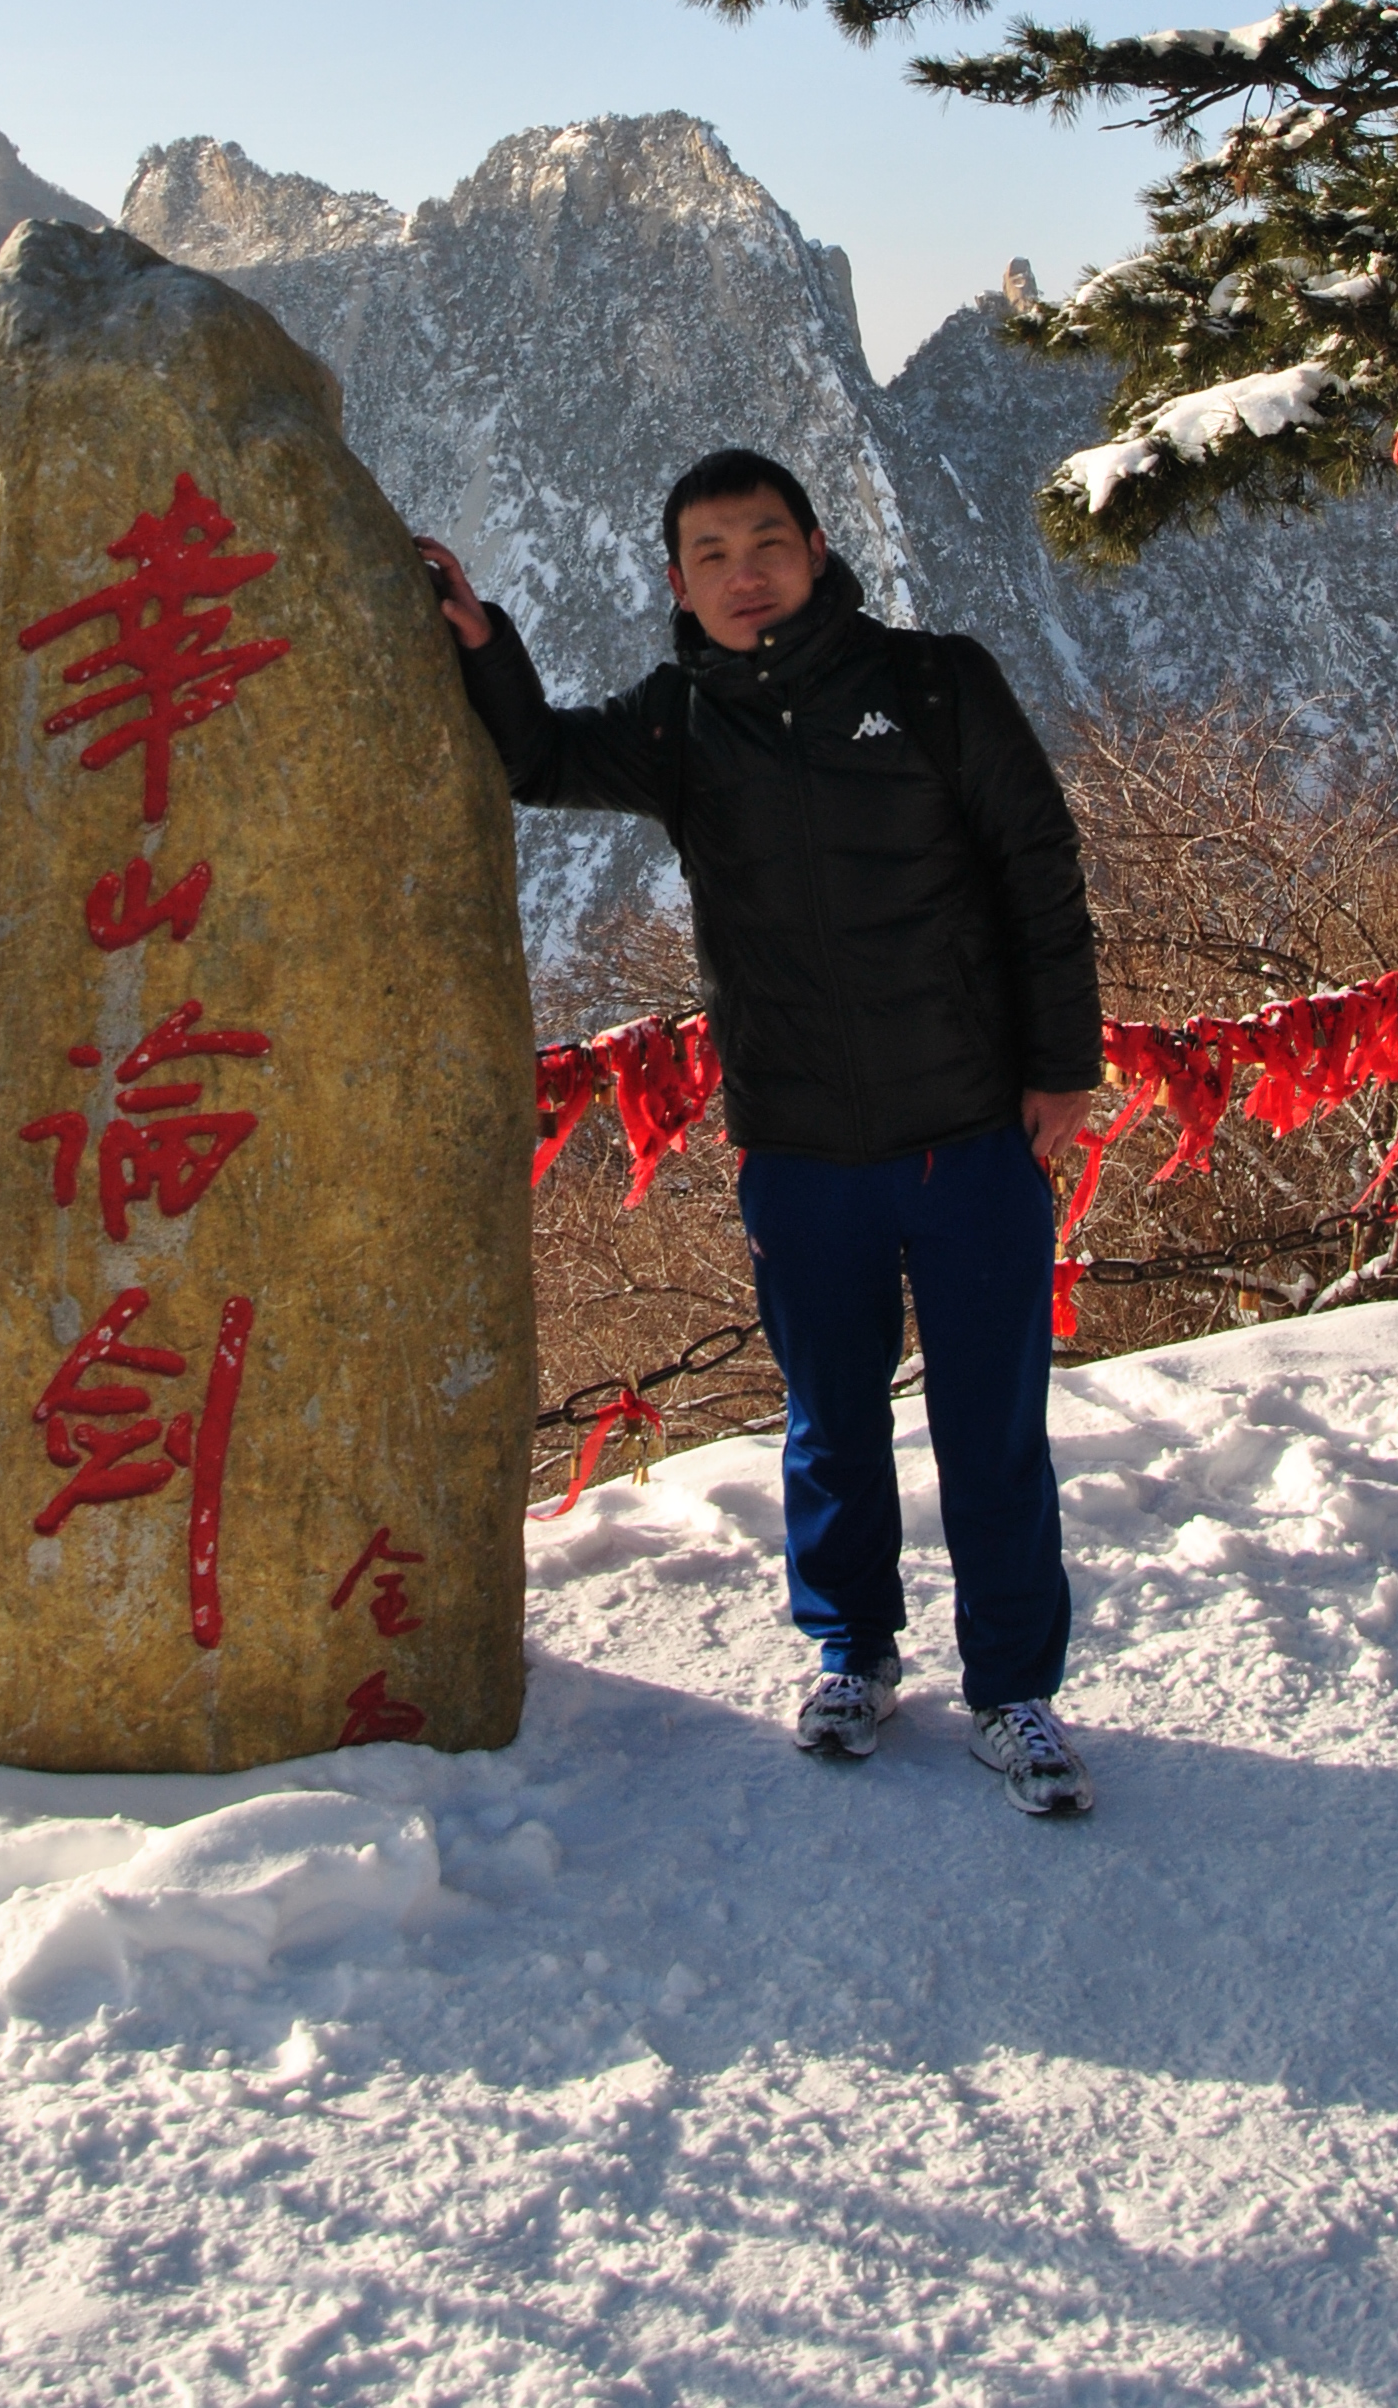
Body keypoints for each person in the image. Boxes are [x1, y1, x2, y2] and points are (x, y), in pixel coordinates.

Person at [417, 449, 1103, 1820]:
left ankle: (1015, 1691)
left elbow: (1039, 866)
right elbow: (539, 756)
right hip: (798, 1145)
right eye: (714, 553)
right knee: (830, 1424)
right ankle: (853, 1654)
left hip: (966, 1131)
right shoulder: (682, 723)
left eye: (767, 541)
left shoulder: (934, 682)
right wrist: (484, 643)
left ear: (816, 545)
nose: (746, 572)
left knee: (993, 1428)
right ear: (678, 582)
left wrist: (1061, 1066)